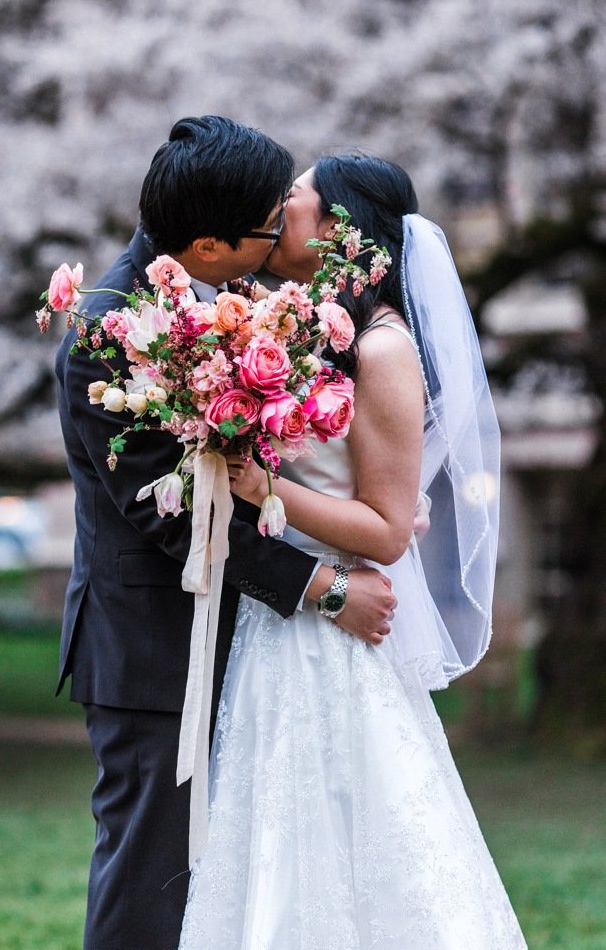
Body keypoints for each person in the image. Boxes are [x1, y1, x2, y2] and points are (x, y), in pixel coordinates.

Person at [54, 117, 398, 950]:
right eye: (268, 227)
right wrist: (325, 587)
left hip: (247, 643)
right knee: (153, 873)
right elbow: (171, 515)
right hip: (153, 646)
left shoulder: (231, 295)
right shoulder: (110, 333)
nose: (284, 235)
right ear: (210, 246)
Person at [178, 154, 525, 948]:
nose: (277, 209)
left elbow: (389, 528)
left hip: (336, 641)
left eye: (292, 198)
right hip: (279, 631)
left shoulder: (382, 347)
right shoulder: (296, 325)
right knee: (270, 846)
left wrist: (261, 486)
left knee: (348, 841)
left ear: (338, 227)